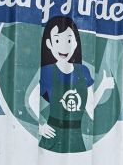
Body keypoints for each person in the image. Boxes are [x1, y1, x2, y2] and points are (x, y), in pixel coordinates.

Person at [26, 16, 115, 153]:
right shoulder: (48, 71)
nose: (63, 46)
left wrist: (102, 86)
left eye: (68, 40)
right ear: (49, 44)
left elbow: (89, 109)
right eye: (57, 40)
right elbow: (31, 100)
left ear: (75, 43)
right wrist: (40, 126)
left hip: (76, 138)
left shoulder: (83, 71)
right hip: (52, 137)